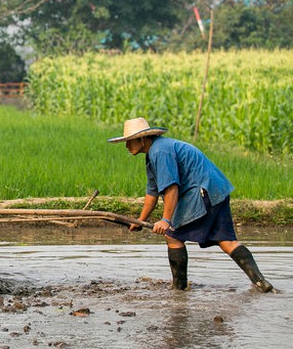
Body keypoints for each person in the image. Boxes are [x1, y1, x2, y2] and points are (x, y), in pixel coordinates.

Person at [108, 117, 274, 292]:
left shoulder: (159, 152)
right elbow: (152, 193)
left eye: (130, 141)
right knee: (226, 241)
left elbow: (171, 188)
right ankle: (261, 283)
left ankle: (179, 289)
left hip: (203, 192)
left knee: (173, 235)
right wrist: (140, 220)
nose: (127, 146)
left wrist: (166, 220)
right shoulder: (153, 155)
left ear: (143, 139)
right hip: (217, 190)